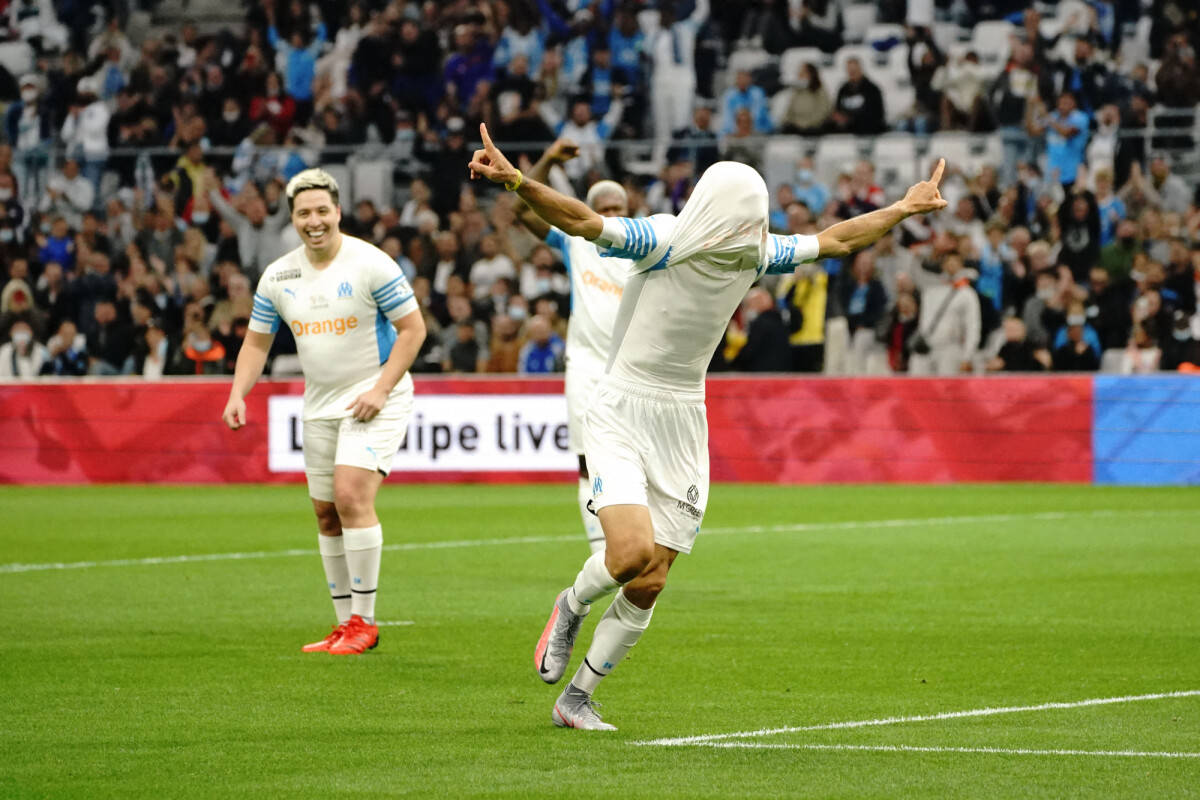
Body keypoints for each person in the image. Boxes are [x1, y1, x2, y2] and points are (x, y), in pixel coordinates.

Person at [468, 123, 946, 730]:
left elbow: (835, 240)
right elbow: (585, 223)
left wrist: (904, 208)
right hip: (621, 406)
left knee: (653, 578)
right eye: (745, 213)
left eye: (757, 215)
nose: (752, 225)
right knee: (629, 553)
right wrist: (517, 181)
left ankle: (577, 698)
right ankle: (570, 605)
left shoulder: (756, 252)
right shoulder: (663, 239)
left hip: (684, 416)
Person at [221, 169, 426, 656]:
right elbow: (256, 342)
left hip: (375, 395)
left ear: (338, 212)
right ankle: (342, 624)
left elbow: (414, 330)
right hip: (319, 404)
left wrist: (380, 388)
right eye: (303, 213)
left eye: (321, 211)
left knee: (351, 495)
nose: (314, 221)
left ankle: (365, 621)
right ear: (292, 218)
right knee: (325, 512)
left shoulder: (371, 263)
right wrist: (237, 393)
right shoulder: (279, 275)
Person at [516, 139, 632, 554]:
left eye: (620, 208)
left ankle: (639, 540)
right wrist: (546, 159)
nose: (614, 214)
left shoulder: (643, 248)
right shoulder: (576, 242)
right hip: (584, 365)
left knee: (640, 464)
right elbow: (519, 210)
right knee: (586, 461)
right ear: (591, 211)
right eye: (606, 207)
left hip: (631, 370)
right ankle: (600, 549)